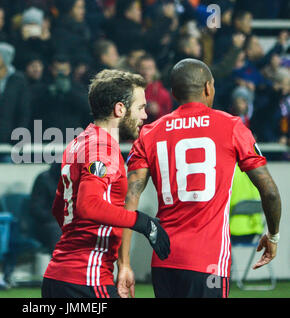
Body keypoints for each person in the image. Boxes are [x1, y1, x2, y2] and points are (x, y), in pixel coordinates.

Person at [117, 58, 281, 298]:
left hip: (165, 263)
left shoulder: (149, 133)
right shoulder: (232, 126)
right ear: (208, 87)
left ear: (173, 93)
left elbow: (129, 199)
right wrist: (273, 235)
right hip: (209, 262)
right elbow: (269, 192)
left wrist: (124, 264)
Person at [42, 69, 170, 298]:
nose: (144, 116)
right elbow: (88, 205)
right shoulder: (103, 147)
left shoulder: (78, 143)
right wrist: (142, 222)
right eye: (140, 108)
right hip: (86, 279)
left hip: (59, 276)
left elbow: (59, 208)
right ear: (120, 109)